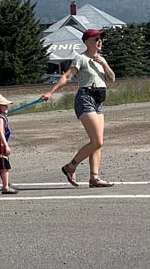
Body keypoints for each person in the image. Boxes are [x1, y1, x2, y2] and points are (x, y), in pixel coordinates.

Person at [42, 28, 116, 188]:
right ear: (87, 41)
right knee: (97, 141)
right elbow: (67, 76)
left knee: (97, 143)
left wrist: (103, 64)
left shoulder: (101, 60)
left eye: (100, 39)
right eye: (96, 39)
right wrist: (50, 92)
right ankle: (71, 166)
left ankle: (94, 178)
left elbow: (112, 79)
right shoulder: (80, 58)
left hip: (98, 101)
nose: (99, 41)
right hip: (86, 98)